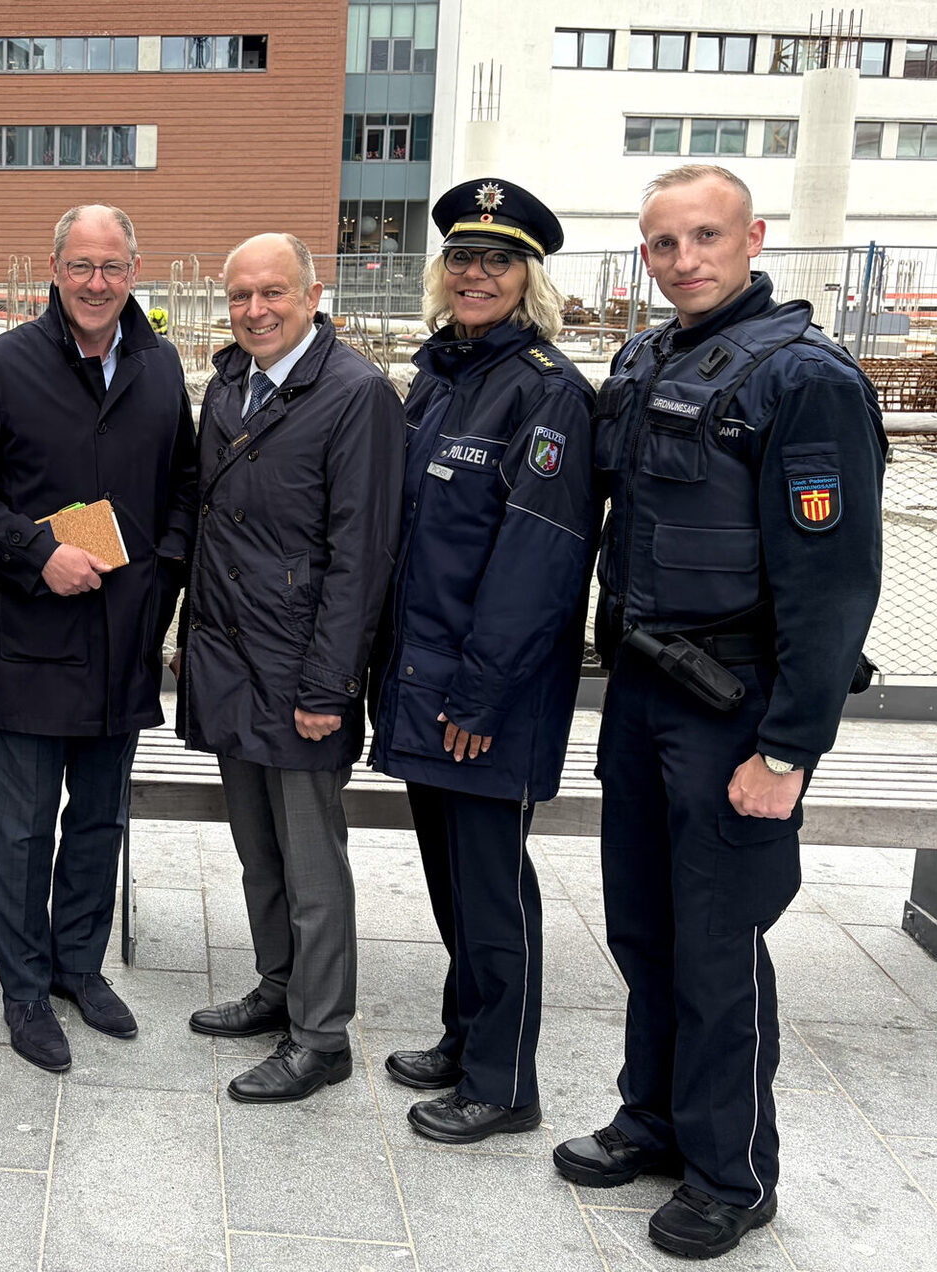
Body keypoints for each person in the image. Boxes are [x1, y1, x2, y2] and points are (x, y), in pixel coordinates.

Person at [554, 164, 884, 1260]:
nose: (683, 259)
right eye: (663, 242)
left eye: (705, 236)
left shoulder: (807, 379)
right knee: (643, 928)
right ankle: (653, 1119)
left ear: (754, 238)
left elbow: (835, 587)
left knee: (718, 947)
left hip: (735, 710)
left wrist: (787, 751)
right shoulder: (650, 358)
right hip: (646, 693)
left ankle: (732, 1175)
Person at [0, 204, 198, 1073]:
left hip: (125, 639)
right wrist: (38, 551)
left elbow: (185, 485)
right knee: (21, 832)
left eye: (112, 267)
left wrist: (161, 572)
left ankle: (78, 965)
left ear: (134, 271)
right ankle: (23, 989)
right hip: (35, 638)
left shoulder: (160, 367)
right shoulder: (2, 365)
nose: (96, 282)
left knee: (99, 819)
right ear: (53, 269)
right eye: (81, 265)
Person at [366, 182, 597, 1141]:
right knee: (452, 880)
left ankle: (504, 1085)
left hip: (485, 695)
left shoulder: (547, 392)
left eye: (498, 261)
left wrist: (479, 694)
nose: (476, 274)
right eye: (462, 258)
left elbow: (537, 564)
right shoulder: (444, 376)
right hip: (429, 680)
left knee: (494, 891)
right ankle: (466, 1037)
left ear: (527, 279)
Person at [177, 234, 403, 1103]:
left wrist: (328, 687)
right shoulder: (231, 381)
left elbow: (362, 556)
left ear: (314, 295)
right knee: (259, 852)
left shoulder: (356, 394)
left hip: (302, 668)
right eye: (240, 295)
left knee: (312, 867)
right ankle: (278, 985)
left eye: (273, 292)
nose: (255, 309)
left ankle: (321, 1035)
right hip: (233, 659)